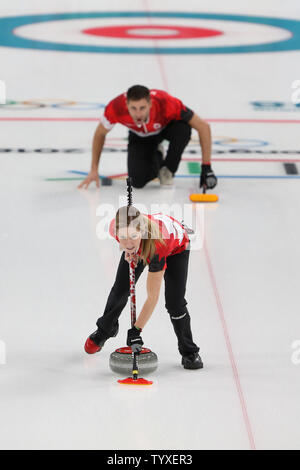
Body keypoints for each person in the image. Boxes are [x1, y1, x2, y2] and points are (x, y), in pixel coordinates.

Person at [84, 205, 203, 370]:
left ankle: (189, 351)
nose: (127, 242)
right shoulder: (114, 227)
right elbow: (127, 242)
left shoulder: (158, 246)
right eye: (123, 237)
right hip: (146, 242)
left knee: (174, 303)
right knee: (120, 288)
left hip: (176, 247)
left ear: (142, 231)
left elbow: (152, 297)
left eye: (133, 236)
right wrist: (129, 249)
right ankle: (105, 330)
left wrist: (136, 330)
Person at [78, 85, 217, 190]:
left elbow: (203, 127)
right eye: (133, 108)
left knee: (184, 129)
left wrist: (206, 168)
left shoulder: (165, 102)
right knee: (136, 182)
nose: (138, 114)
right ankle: (157, 154)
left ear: (150, 104)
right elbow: (99, 134)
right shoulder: (116, 108)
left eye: (142, 108)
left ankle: (168, 169)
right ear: (126, 105)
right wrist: (94, 169)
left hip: (164, 129)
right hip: (139, 137)